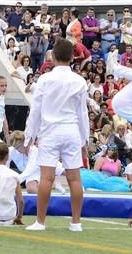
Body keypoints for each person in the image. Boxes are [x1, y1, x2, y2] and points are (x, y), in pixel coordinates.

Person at [24, 38, 89, 232]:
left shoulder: (44, 79)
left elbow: (35, 111)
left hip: (50, 131)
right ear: (71, 57)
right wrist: (85, 139)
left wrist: (29, 136)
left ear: (52, 56)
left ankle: (40, 222)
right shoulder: (79, 81)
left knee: (46, 178)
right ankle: (76, 222)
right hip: (71, 130)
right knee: (74, 178)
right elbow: (82, 114)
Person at [9, 130, 66, 195]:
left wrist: (14, 182)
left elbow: (29, 170)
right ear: (15, 147)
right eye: (21, 146)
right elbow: (5, 166)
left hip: (47, 163)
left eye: (26, 144)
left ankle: (51, 183)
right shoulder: (11, 151)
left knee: (68, 173)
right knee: (31, 189)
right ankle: (52, 185)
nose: (25, 147)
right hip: (34, 172)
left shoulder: (34, 151)